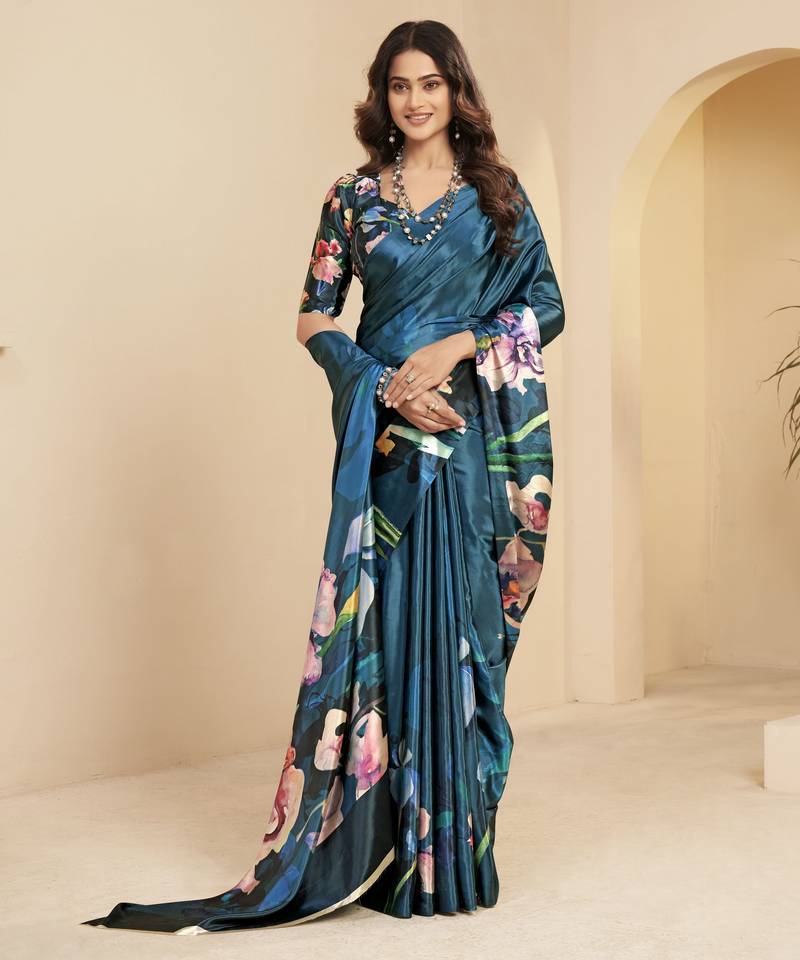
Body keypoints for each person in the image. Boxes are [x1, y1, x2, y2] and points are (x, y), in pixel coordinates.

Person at [81, 19, 565, 935]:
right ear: (381, 96)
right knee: (387, 615)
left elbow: (545, 303)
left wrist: (460, 346)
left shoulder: (497, 196)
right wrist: (381, 385)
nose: (414, 100)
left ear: (457, 91)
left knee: (461, 623)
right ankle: (376, 846)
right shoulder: (352, 198)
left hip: (464, 435)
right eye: (399, 85)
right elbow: (312, 315)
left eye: (430, 83)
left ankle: (445, 851)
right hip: (384, 440)